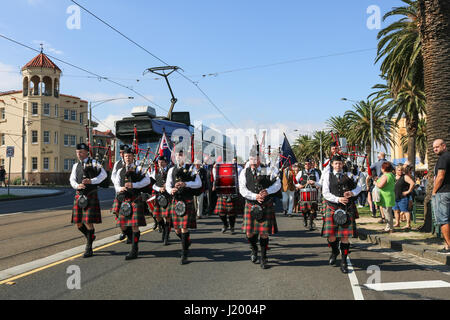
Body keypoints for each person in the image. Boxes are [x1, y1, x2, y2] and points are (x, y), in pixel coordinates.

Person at [239, 147, 281, 269]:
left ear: (259, 159)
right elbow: (242, 189)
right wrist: (255, 196)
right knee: (249, 233)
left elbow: (277, 184)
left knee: (264, 233)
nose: (253, 161)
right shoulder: (244, 172)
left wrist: (267, 191)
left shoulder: (267, 169)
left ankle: (263, 257)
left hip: (265, 204)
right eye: (251, 158)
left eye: (255, 158)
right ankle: (254, 249)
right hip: (251, 204)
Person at [321, 154, 361, 273]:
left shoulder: (349, 175)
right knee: (331, 237)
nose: (338, 165)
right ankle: (334, 251)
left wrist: (352, 193)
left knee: (345, 237)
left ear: (343, 164)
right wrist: (338, 199)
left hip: (346, 209)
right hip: (332, 207)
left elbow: (359, 187)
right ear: (332, 165)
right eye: (336, 163)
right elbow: (325, 193)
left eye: (340, 163)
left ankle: (343, 261)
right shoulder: (327, 176)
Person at [111, 147, 150, 260]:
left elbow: (147, 180)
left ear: (133, 157)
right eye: (126, 156)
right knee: (123, 225)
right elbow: (116, 183)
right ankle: (131, 238)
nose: (128, 158)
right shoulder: (120, 170)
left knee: (134, 226)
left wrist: (134, 185)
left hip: (135, 198)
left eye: (130, 156)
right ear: (123, 157)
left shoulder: (139, 168)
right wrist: (120, 188)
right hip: (124, 199)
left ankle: (134, 249)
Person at [70, 143, 107, 258]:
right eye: (77, 152)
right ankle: (90, 236)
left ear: (86, 152)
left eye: (80, 152)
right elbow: (72, 179)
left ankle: (89, 248)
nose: (78, 154)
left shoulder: (94, 163)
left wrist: (92, 181)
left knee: (88, 222)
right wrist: (77, 186)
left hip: (90, 194)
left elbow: (104, 175)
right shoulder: (76, 165)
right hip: (79, 195)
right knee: (78, 223)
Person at [166, 150, 202, 264]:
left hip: (187, 201)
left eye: (180, 155)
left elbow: (198, 183)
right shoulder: (171, 169)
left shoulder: (192, 169)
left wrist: (186, 184)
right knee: (176, 229)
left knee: (184, 228)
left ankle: (184, 253)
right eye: (177, 155)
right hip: (176, 200)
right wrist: (170, 190)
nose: (178, 157)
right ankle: (186, 241)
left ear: (185, 156)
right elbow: (168, 184)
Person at [431, 139, 450, 253]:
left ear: (444, 146)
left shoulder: (443, 158)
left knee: (443, 220)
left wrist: (434, 191)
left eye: (437, 147)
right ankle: (447, 245)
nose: (435, 149)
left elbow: (440, 176)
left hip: (443, 193)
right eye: (433, 148)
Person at [149, 155, 172, 245]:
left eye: (162, 162)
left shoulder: (170, 171)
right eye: (159, 162)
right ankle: (163, 229)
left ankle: (166, 236)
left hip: (168, 195)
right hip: (159, 195)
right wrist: (159, 189)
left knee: (167, 217)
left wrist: (168, 186)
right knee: (158, 216)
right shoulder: (155, 171)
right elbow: (152, 184)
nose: (160, 164)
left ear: (166, 162)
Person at [212, 162, 240, 234]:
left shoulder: (237, 167)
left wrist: (238, 186)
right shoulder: (218, 167)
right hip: (222, 192)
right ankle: (225, 224)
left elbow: (239, 178)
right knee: (221, 212)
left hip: (232, 192)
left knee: (231, 213)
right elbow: (216, 177)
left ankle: (232, 227)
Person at [295, 158, 320, 230]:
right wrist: (298, 186)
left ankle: (311, 224)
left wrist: (316, 184)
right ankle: (305, 219)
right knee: (304, 209)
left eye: (309, 164)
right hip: (303, 192)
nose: (307, 165)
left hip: (313, 193)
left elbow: (318, 182)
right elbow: (295, 181)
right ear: (304, 165)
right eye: (306, 164)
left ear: (311, 164)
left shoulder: (315, 173)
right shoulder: (301, 172)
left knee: (312, 209)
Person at [374, 162, 396, 233]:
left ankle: (390, 227)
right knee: (388, 212)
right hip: (389, 195)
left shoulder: (386, 175)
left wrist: (375, 183)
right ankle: (389, 227)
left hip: (385, 196)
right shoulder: (391, 175)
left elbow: (380, 185)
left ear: (383, 168)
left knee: (387, 212)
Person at [393, 164, 415, 230]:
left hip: (403, 197)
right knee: (396, 210)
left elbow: (412, 183)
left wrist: (408, 191)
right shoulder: (394, 177)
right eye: (399, 170)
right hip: (395, 196)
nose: (400, 171)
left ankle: (408, 224)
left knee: (405, 210)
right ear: (396, 171)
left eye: (401, 170)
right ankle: (397, 223)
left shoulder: (405, 177)